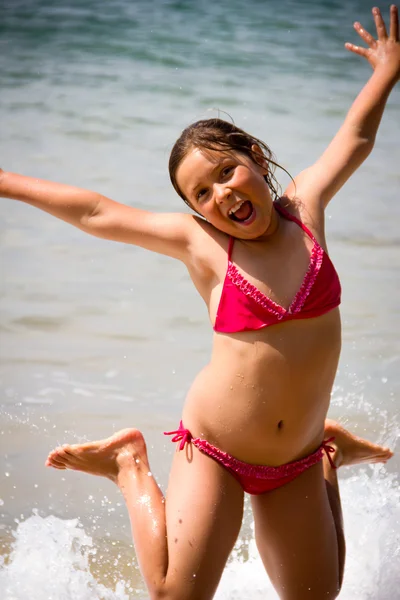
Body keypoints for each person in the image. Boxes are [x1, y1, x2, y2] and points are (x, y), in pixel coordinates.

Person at [1, 5, 398, 599]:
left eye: (226, 172)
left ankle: (328, 456)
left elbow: (358, 138)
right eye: (201, 193)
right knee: (172, 594)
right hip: (218, 448)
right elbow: (97, 212)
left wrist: (386, 70)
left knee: (320, 596)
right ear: (195, 209)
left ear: (256, 161)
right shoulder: (204, 245)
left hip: (295, 456)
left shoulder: (305, 210)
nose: (221, 195)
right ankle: (128, 462)